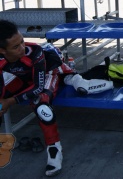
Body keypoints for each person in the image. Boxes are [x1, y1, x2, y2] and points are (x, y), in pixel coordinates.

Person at [0, 20, 113, 176]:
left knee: (41, 103)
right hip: (24, 79)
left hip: (48, 72)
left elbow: (38, 87)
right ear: (2, 50)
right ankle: (72, 79)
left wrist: (10, 101)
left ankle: (54, 150)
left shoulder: (34, 51)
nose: (22, 48)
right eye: (15, 46)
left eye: (22, 41)